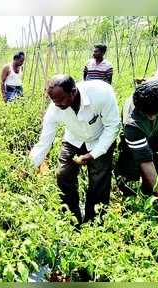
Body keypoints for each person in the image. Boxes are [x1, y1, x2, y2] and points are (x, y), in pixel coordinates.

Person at [29, 74, 120, 224]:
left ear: (73, 91)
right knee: (63, 175)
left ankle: (94, 222)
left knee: (99, 181)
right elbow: (44, 141)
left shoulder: (101, 93)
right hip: (74, 139)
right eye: (53, 101)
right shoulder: (55, 107)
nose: (58, 104)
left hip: (100, 138)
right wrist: (30, 166)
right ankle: (71, 218)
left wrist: (94, 154)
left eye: (61, 100)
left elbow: (113, 126)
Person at [116, 80, 158, 210]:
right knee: (129, 176)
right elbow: (145, 161)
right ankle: (132, 206)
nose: (150, 118)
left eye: (154, 113)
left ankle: (152, 193)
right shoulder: (132, 123)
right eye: (146, 114)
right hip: (136, 141)